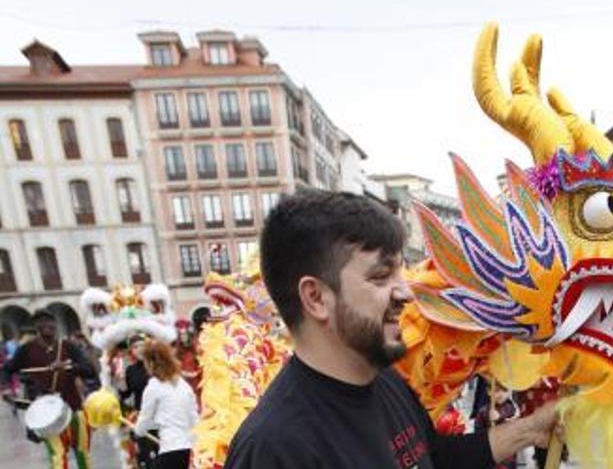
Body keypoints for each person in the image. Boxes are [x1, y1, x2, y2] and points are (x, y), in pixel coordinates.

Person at [224, 191, 558, 469]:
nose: (406, 292)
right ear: (316, 298)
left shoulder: (387, 382)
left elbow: (434, 458)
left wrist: (529, 429)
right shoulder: (274, 449)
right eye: (381, 277)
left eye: (401, 272)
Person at [1, 309, 97, 469]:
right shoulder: (26, 350)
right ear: (36, 325)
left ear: (55, 324)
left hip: (74, 408)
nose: (47, 324)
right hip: (47, 415)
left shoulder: (67, 346)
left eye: (50, 320)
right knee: (58, 456)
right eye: (41, 321)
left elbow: (90, 370)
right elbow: (6, 369)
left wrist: (69, 366)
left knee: (83, 454)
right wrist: (6, 389)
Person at [134, 340, 198, 469]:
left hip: (170, 449)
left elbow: (143, 424)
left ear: (150, 363)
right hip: (190, 450)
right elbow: (193, 419)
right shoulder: (183, 385)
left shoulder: (153, 387)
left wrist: (138, 428)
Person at [122, 336, 158, 469]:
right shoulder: (130, 370)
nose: (139, 349)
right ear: (131, 350)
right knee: (145, 455)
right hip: (142, 416)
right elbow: (127, 394)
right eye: (135, 347)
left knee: (162, 451)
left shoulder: (157, 365)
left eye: (142, 345)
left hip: (160, 415)